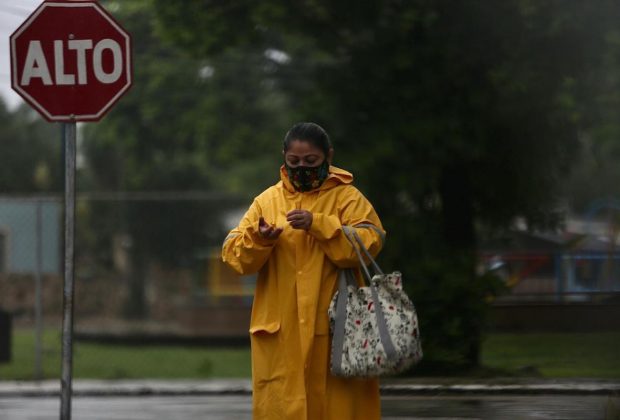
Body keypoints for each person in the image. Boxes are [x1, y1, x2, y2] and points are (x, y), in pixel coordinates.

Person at [222, 122, 385, 419]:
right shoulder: (267, 201)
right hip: (281, 336)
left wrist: (319, 224)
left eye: (311, 162)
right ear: (283, 158)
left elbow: (368, 244)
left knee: (340, 408)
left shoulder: (348, 198)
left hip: (338, 332)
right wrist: (260, 239)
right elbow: (235, 257)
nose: (301, 168)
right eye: (293, 162)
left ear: (328, 156)